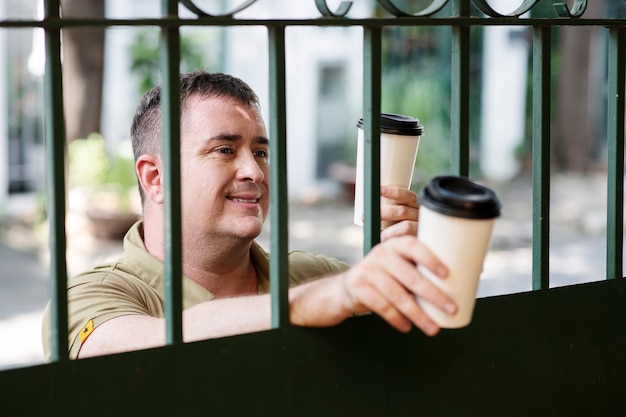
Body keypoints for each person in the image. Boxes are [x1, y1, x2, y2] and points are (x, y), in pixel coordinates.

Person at [42, 71, 457, 361]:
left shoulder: (319, 275)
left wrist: (413, 264)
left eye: (260, 152)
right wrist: (309, 304)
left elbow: (429, 362)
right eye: (225, 150)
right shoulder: (89, 297)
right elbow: (135, 349)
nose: (255, 172)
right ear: (155, 178)